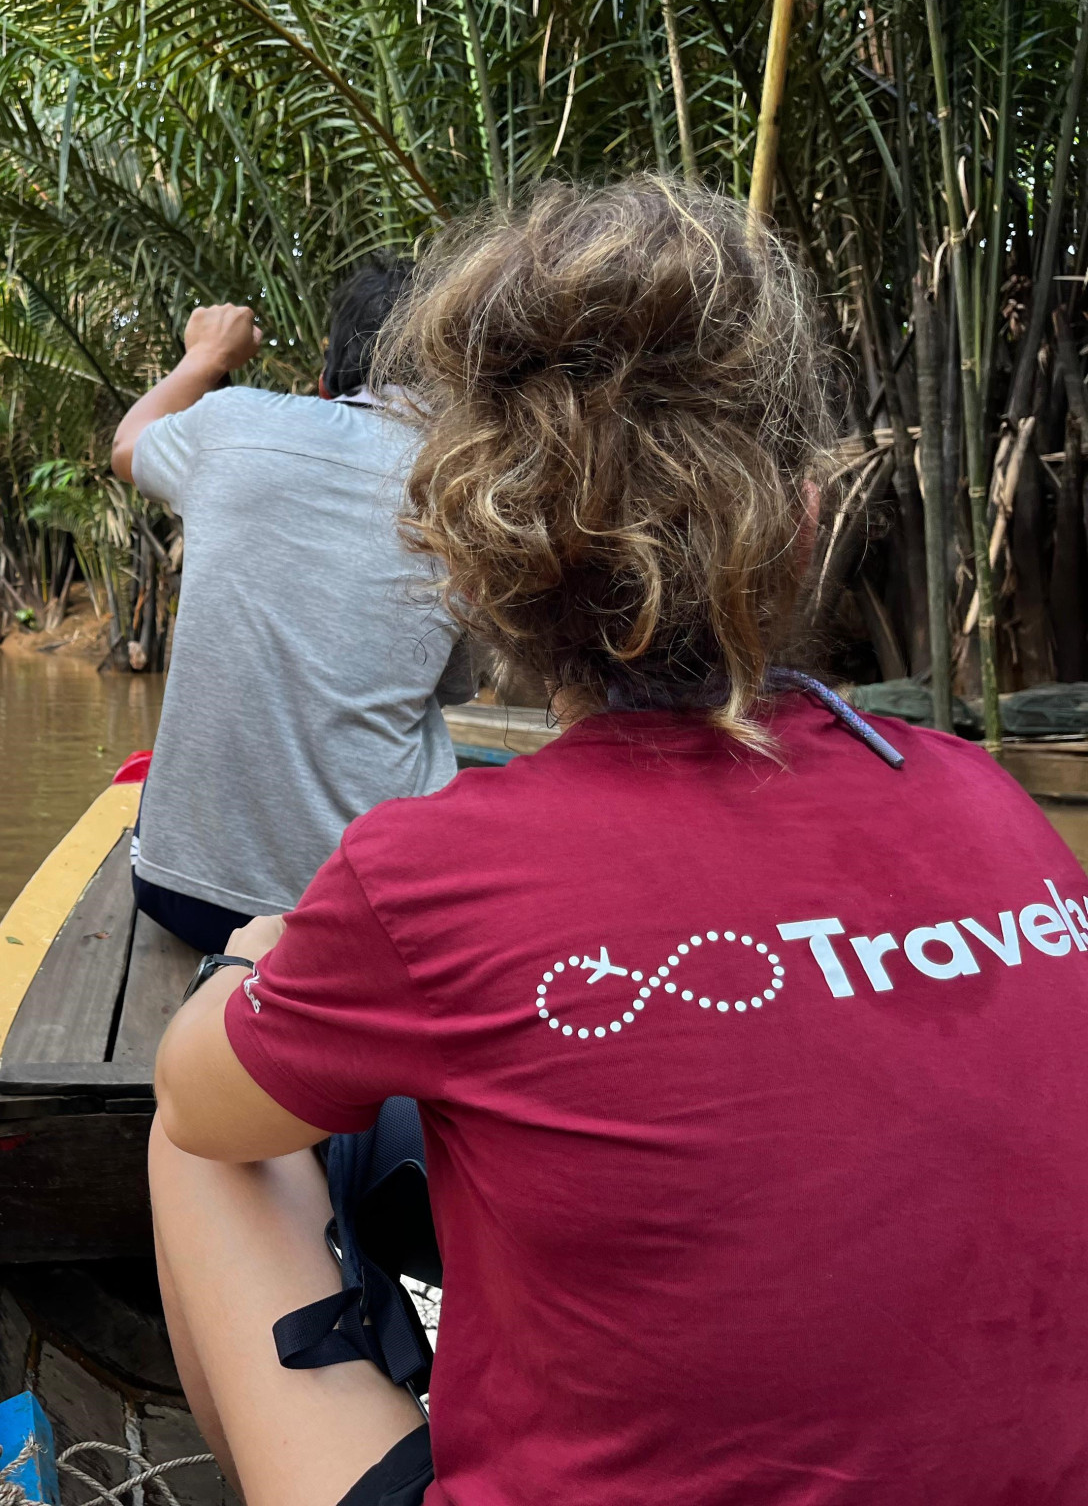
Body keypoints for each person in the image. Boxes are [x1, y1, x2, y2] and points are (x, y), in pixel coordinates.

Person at [148, 178, 1088, 1506]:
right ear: (803, 524)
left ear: (470, 568)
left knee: (196, 1148)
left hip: (298, 965)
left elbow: (201, 1101)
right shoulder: (985, 798)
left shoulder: (432, 875)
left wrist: (250, 960)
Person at [111, 264, 464, 954]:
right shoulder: (468, 484)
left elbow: (129, 446)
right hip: (361, 919)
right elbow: (447, 684)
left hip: (179, 892)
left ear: (330, 372)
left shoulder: (230, 422)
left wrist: (205, 358)